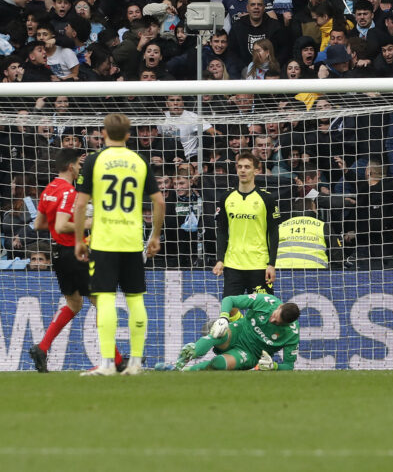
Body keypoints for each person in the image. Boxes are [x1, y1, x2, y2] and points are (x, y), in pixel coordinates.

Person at [73, 113, 165, 376]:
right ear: (128, 134)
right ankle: (135, 363)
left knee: (105, 299)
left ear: (103, 133)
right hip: (132, 240)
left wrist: (80, 239)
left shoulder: (94, 160)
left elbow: (80, 205)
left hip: (104, 240)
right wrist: (155, 236)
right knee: (136, 299)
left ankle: (107, 364)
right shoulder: (139, 160)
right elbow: (159, 202)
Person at [29, 148, 128, 372]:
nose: (80, 169)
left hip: (58, 254)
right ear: (71, 166)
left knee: (75, 303)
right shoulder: (67, 192)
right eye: (79, 165)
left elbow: (39, 225)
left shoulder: (49, 190)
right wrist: (91, 223)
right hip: (75, 253)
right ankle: (116, 361)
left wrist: (62, 226)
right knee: (101, 302)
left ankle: (43, 347)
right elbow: (63, 224)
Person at [156, 292, 300, 371]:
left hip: (250, 354)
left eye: (278, 323)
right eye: (275, 316)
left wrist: (273, 366)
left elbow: (288, 366)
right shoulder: (266, 301)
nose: (273, 321)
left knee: (219, 364)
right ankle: (178, 365)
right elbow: (230, 300)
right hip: (238, 331)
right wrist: (224, 318)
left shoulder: (292, 333)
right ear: (279, 306)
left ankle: (185, 373)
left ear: (288, 324)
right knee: (219, 331)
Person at [213, 151, 280, 320]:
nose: (243, 170)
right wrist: (220, 259)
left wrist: (272, 263)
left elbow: (274, 233)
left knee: (263, 313)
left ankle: (261, 345)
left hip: (259, 265)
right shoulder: (227, 197)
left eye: (247, 167)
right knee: (229, 309)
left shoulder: (267, 199)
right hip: (233, 264)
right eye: (240, 166)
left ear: (256, 171)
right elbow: (221, 231)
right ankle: (243, 331)